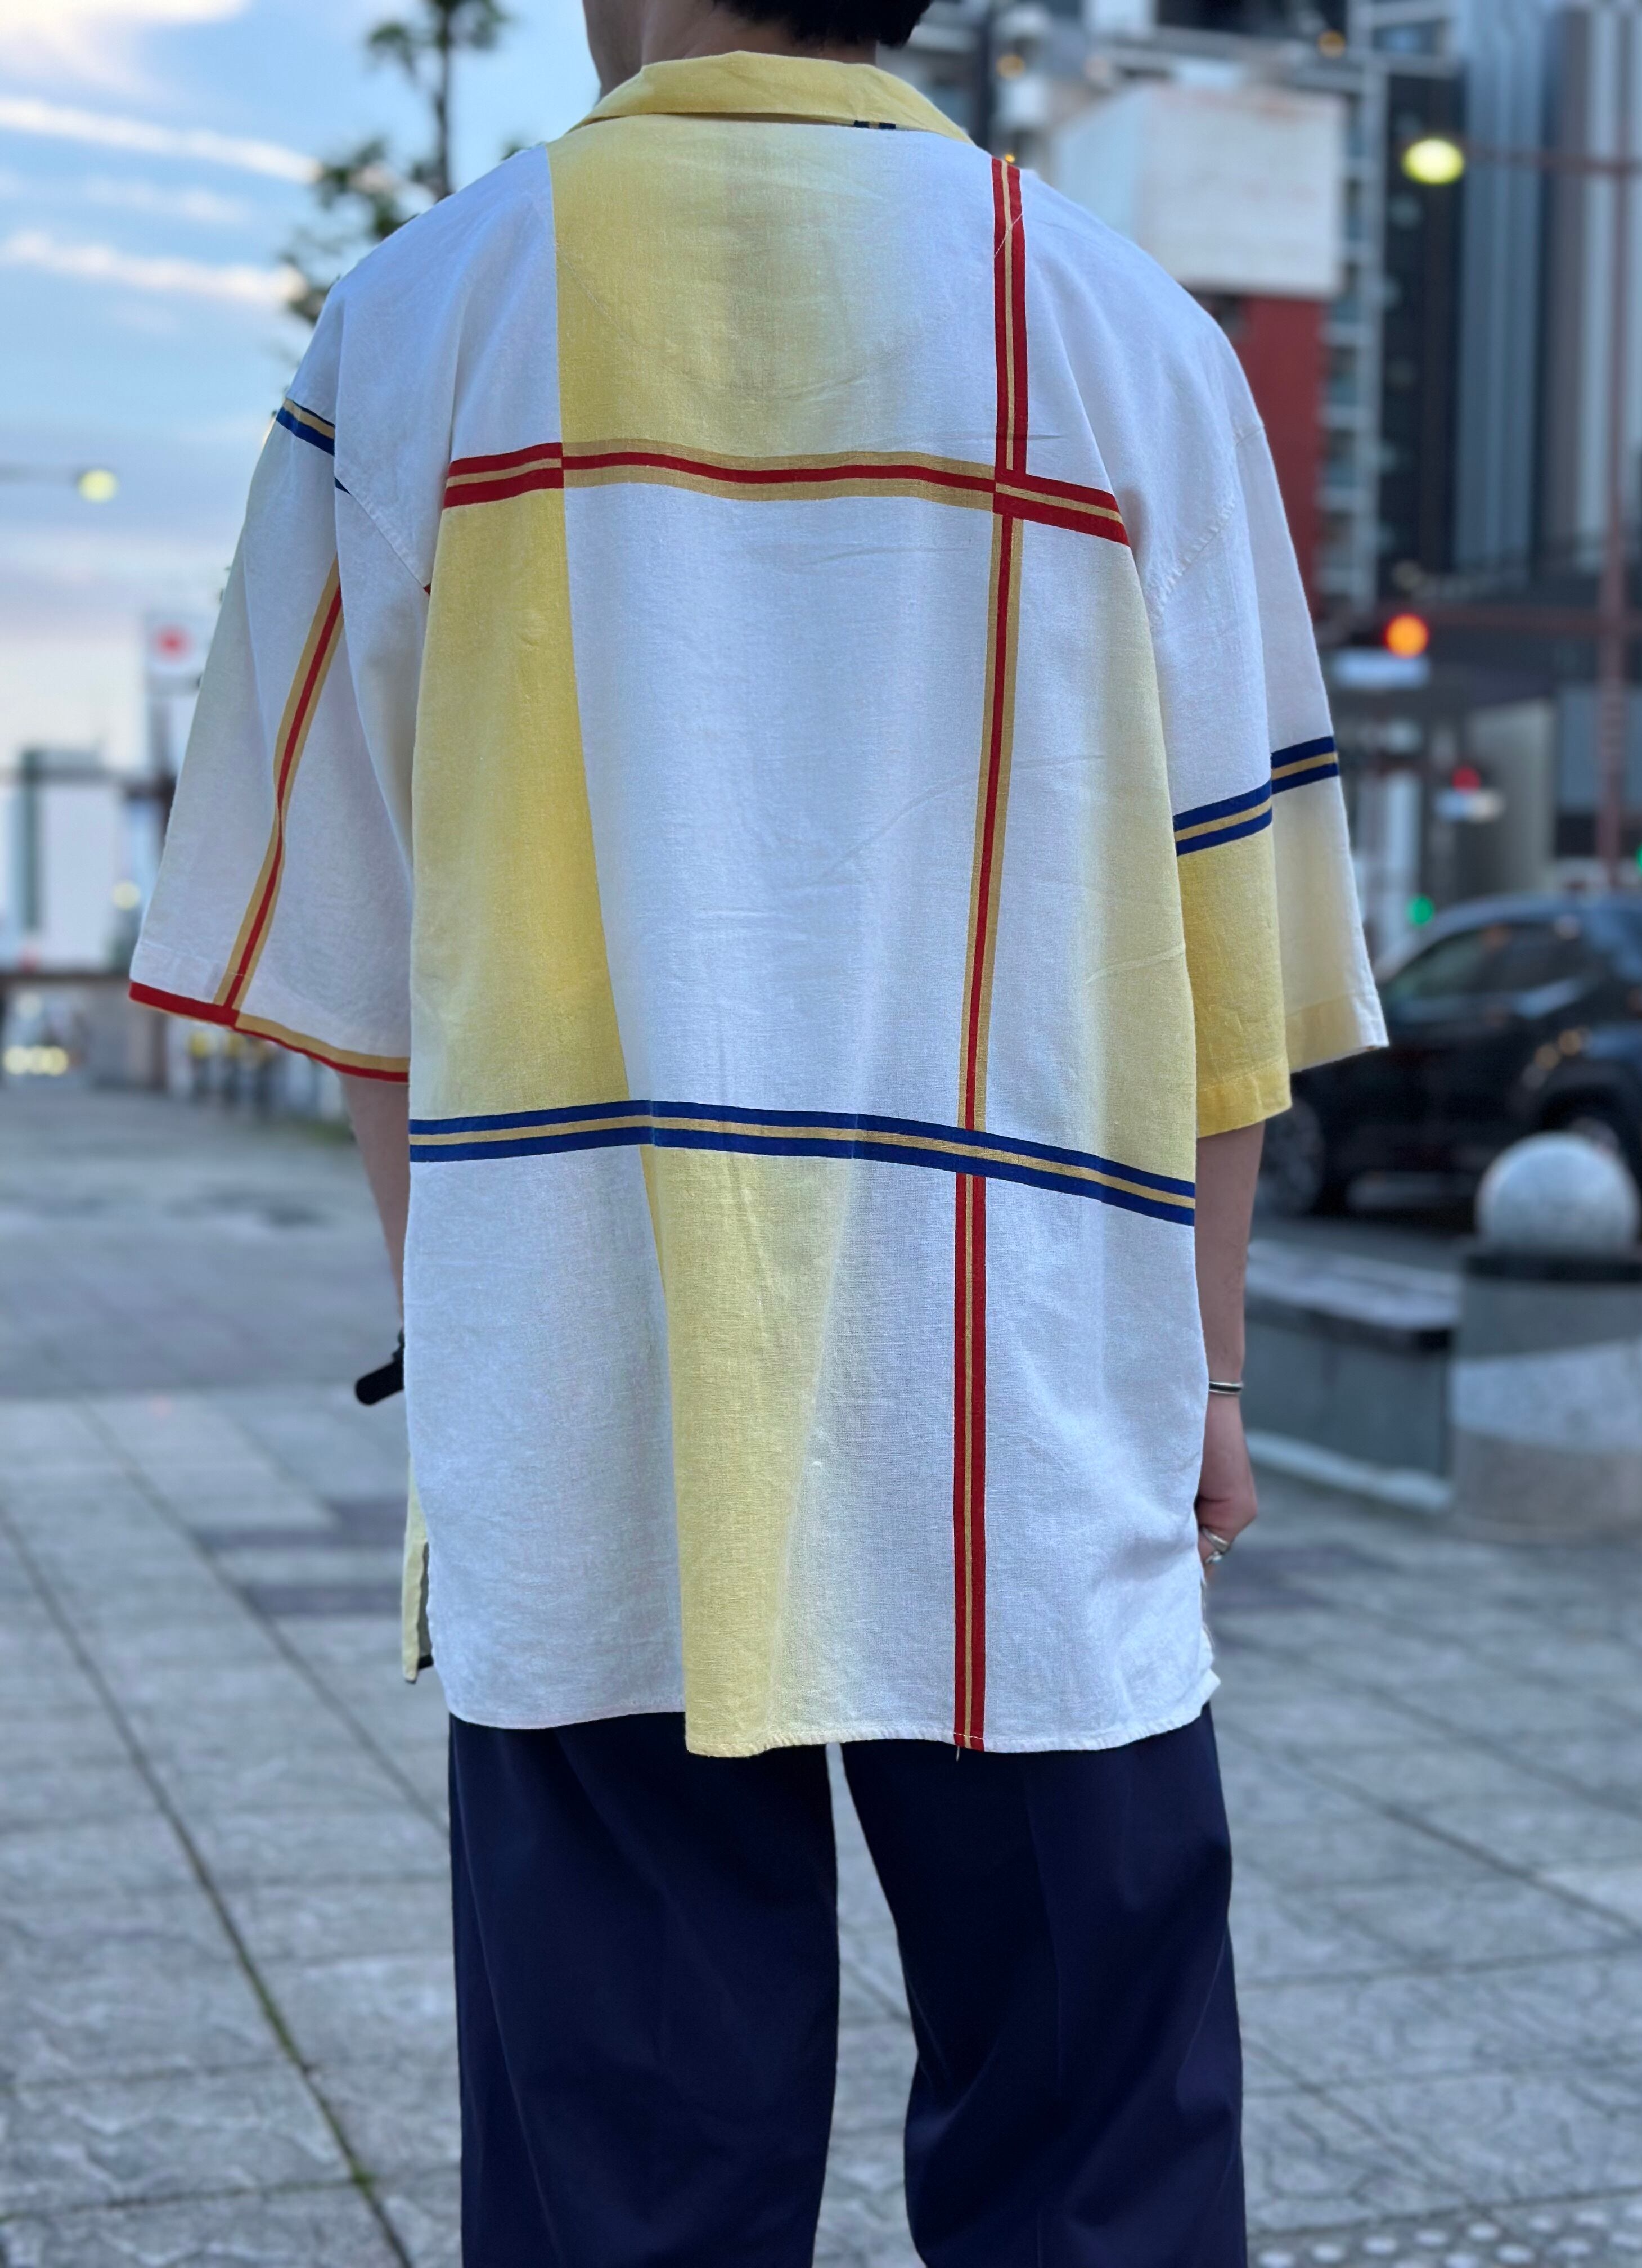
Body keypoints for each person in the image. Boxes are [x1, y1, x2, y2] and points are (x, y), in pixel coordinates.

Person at [131, 0, 1385, 2253]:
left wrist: (465, 1333)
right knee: (1096, 2139)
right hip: (1028, 1384)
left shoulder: (422, 323)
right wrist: (1205, 1374)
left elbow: (344, 948)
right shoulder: (1129, 339)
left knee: (626, 2166)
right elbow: (1245, 950)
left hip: (588, 1371)